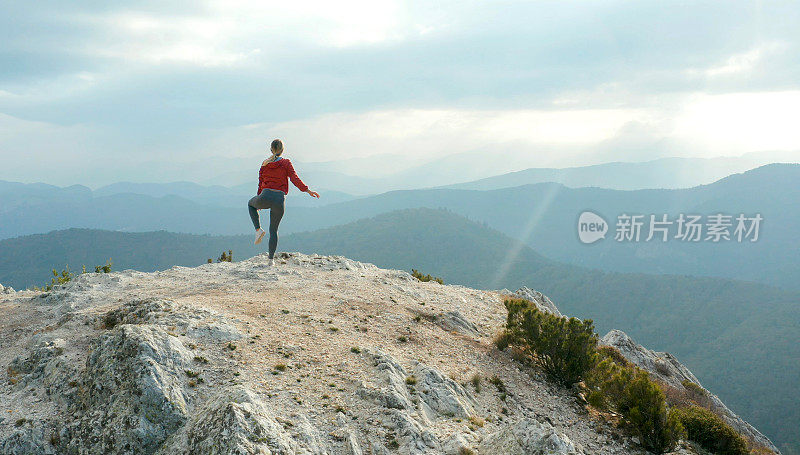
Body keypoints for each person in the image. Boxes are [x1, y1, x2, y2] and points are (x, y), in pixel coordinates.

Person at [248, 139, 319, 265]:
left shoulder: (265, 164)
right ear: (282, 150)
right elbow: (294, 178)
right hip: (279, 199)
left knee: (250, 204)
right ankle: (271, 261)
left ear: (271, 150)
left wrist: (259, 199)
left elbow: (260, 182)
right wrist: (307, 190)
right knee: (274, 231)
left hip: (265, 196)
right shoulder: (286, 163)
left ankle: (258, 230)